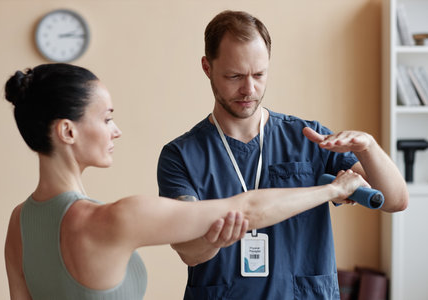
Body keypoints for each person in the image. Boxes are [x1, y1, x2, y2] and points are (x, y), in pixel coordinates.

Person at [3, 63, 369, 300]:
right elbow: (246, 208)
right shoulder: (114, 218)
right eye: (106, 119)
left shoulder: (20, 221)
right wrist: (334, 190)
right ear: (67, 131)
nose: (116, 131)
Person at [156, 10, 409, 300]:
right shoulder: (180, 156)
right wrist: (217, 236)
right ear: (207, 67)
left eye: (259, 74)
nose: (249, 89)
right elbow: (190, 251)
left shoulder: (309, 139)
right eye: (234, 75)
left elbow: (394, 200)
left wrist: (368, 147)